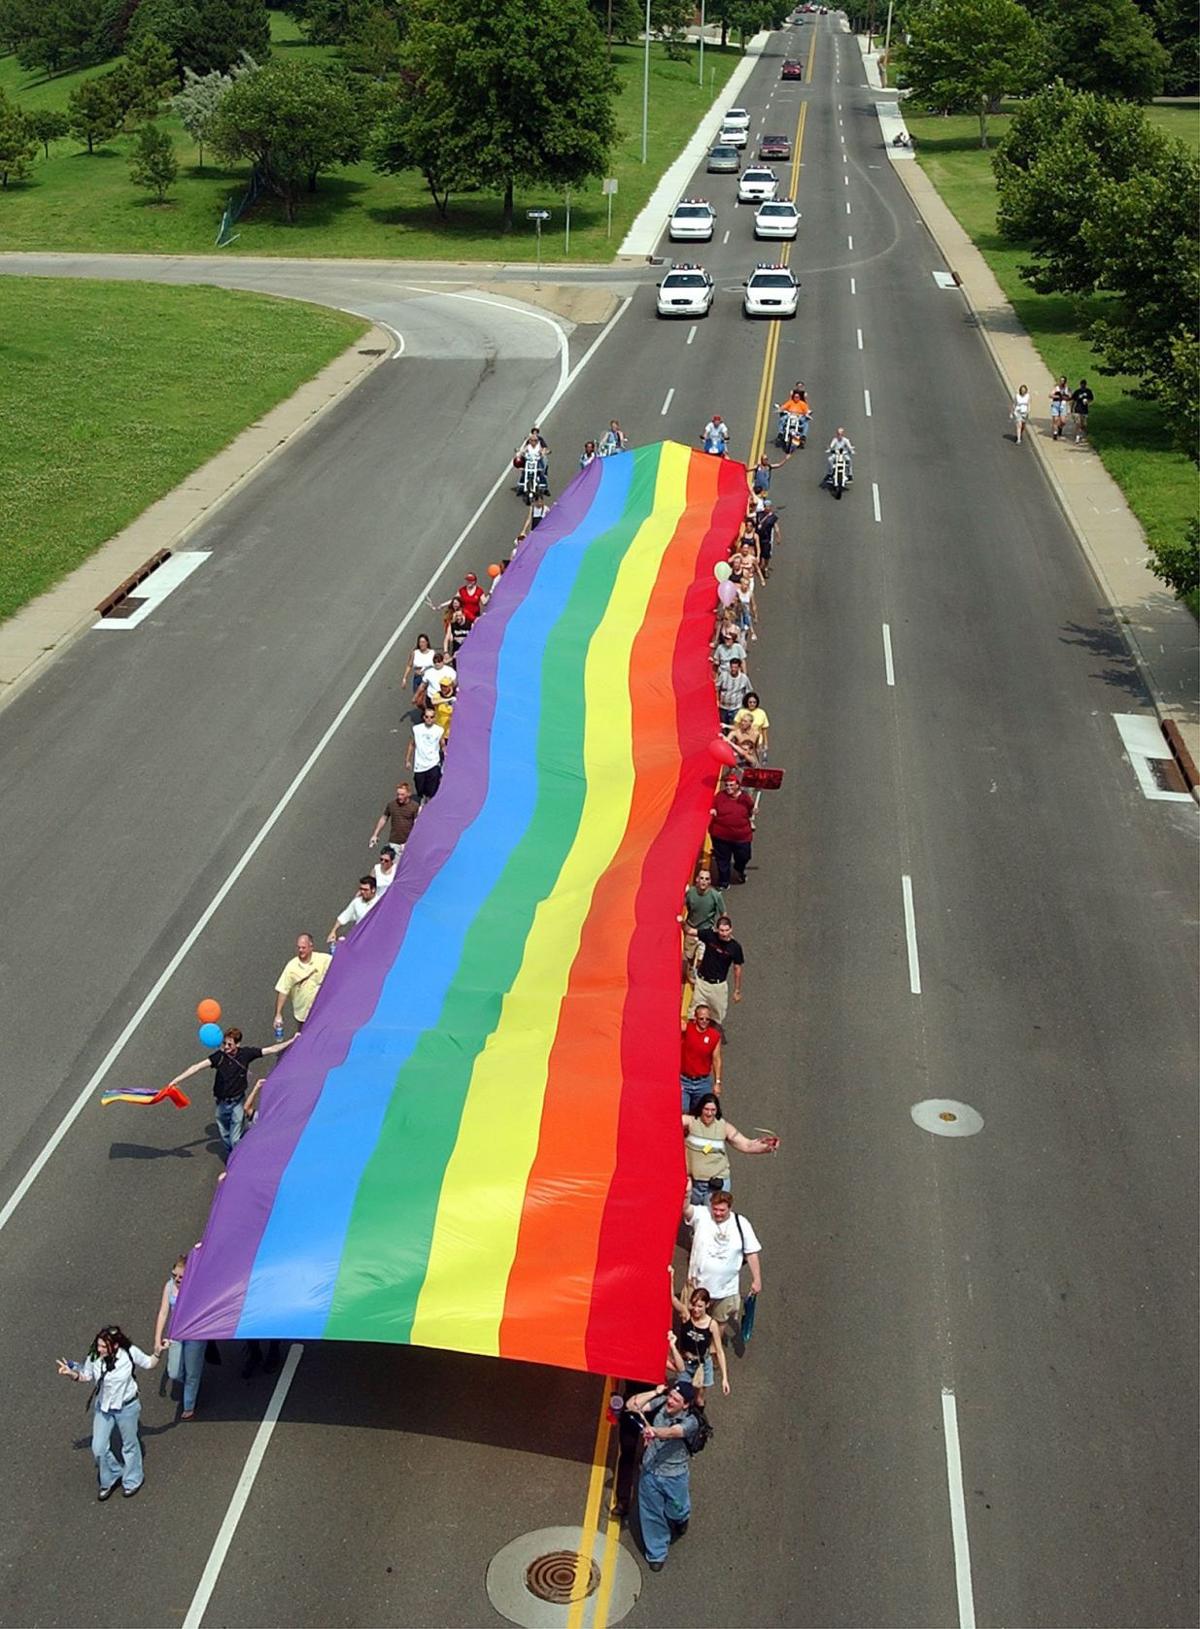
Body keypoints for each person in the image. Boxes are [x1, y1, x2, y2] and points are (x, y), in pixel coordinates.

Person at [57, 1326, 160, 1499]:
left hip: (127, 1407)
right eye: (99, 1346)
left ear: (116, 1345)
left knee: (130, 1445)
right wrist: (72, 1374)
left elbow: (149, 1363)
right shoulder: (95, 1357)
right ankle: (112, 1475)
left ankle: (133, 1479)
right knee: (98, 1448)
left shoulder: (129, 1352)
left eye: (104, 1347)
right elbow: (86, 1376)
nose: (100, 1350)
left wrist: (157, 1353)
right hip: (104, 1408)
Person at [170, 1026, 294, 1151]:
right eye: (224, 1043)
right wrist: (177, 1079)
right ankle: (233, 1157)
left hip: (237, 1102)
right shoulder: (219, 1057)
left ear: (238, 1044)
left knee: (235, 1139)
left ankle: (239, 1159)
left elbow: (271, 1049)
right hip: (221, 1103)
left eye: (230, 1044)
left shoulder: (246, 1054)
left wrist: (291, 1041)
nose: (226, 1047)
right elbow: (196, 1067)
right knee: (225, 1135)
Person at [627, 1380, 700, 1570]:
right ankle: (657, 1552)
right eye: (670, 1396)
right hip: (650, 1470)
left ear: (685, 1405)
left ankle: (681, 1517)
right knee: (650, 1512)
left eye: (676, 1399)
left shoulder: (691, 1422)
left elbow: (672, 1432)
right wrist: (655, 1392)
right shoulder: (661, 1402)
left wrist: (654, 1431)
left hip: (674, 1475)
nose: (670, 1401)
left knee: (677, 1506)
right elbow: (631, 1405)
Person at [683, 1188, 763, 1347]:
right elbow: (685, 1209)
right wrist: (687, 1192)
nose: (718, 1213)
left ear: (730, 1208)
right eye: (715, 1209)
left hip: (726, 1289)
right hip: (697, 1285)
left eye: (722, 1210)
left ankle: (711, 1351)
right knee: (692, 1318)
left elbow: (751, 1252)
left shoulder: (741, 1223)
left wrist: (757, 1279)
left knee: (720, 1321)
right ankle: (691, 1348)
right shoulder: (702, 1215)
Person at [682, 1093, 778, 1204]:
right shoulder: (690, 1122)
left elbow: (746, 1145)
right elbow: (669, 1122)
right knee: (692, 1219)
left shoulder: (724, 1127)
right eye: (706, 1109)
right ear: (700, 1109)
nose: (709, 1113)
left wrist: (767, 1146)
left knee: (713, 1218)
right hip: (694, 1185)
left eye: (713, 1110)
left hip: (715, 1185)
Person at [154, 1255, 204, 1420]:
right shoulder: (169, 1287)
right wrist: (157, 1339)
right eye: (174, 1275)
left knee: (192, 1372)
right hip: (176, 1333)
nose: (176, 1279)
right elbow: (163, 1312)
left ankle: (189, 1404)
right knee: (174, 1372)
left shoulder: (197, 1287)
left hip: (195, 1334)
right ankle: (192, 1386)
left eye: (181, 1276)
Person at [668, 1272, 729, 1403]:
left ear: (707, 1305)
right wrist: (671, 1278)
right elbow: (672, 1299)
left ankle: (697, 1419)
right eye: (694, 1305)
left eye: (700, 1306)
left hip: (702, 1365)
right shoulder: (686, 1315)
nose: (696, 1309)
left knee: (699, 1399)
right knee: (679, 1395)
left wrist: (724, 1378)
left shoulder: (712, 1324)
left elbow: (719, 1351)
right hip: (685, 1363)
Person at [272, 932, 332, 1034]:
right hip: (303, 1015)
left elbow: (340, 962)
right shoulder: (291, 966)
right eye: (298, 948)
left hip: (322, 1010)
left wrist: (341, 944)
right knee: (305, 1037)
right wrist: (278, 1014)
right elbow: (283, 990)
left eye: (303, 948)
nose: (300, 950)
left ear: (311, 947)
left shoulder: (323, 959)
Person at [691, 915, 744, 1022]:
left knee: (716, 1018)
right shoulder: (710, 936)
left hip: (718, 988)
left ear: (731, 929)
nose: (724, 933)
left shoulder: (735, 948)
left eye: (726, 930)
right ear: (716, 929)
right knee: (693, 1014)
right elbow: (691, 931)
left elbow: (737, 968)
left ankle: (714, 1038)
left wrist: (737, 990)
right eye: (721, 930)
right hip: (702, 983)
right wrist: (680, 922)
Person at [709, 774, 755, 888]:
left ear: (738, 786)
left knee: (744, 856)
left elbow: (750, 811)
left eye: (731, 785)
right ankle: (724, 882)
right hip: (721, 836)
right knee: (722, 860)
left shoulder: (745, 799)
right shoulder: (720, 797)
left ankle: (739, 868)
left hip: (741, 837)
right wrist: (713, 810)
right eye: (727, 785)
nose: (728, 787)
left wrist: (754, 811)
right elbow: (712, 806)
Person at [680, 1005, 723, 1111]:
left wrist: (717, 1082)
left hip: (702, 1083)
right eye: (701, 1018)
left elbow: (716, 1059)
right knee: (682, 1111)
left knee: (699, 1113)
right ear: (695, 1018)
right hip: (684, 1080)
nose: (704, 1021)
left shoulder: (714, 1036)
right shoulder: (687, 1029)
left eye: (707, 1019)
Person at [407, 706, 445, 803]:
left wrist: (445, 753)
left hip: (433, 762)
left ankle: (430, 804)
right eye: (427, 717)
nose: (429, 719)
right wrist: (407, 760)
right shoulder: (417, 729)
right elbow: (411, 744)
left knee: (432, 788)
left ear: (435, 718)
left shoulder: (439, 730)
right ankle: (422, 797)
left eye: (431, 717)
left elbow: (442, 745)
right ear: (423, 717)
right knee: (419, 786)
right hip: (420, 764)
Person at [327, 876, 379, 947]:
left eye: (365, 890)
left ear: (373, 890)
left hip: (376, 937)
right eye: (361, 889)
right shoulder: (356, 902)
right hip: (360, 937)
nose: (362, 892)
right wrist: (333, 931)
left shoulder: (380, 902)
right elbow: (344, 916)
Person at [369, 780, 419, 854]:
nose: (399, 797)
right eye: (398, 794)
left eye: (402, 794)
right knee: (394, 864)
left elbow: (417, 824)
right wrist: (375, 835)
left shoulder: (415, 806)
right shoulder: (392, 805)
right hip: (394, 841)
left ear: (408, 794)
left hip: (409, 843)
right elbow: (384, 818)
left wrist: (413, 840)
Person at [681, 867, 725, 933]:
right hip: (690, 928)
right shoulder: (690, 892)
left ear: (710, 881)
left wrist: (721, 930)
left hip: (706, 931)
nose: (704, 880)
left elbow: (723, 914)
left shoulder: (716, 895)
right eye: (701, 878)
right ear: (697, 879)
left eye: (707, 879)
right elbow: (682, 906)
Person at [716, 656, 752, 727]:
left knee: (734, 727)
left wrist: (746, 706)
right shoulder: (723, 675)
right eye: (732, 667)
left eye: (735, 667)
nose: (733, 669)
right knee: (722, 727)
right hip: (723, 707)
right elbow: (717, 688)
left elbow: (748, 692)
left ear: (739, 668)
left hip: (736, 708)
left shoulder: (744, 678)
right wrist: (717, 700)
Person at [755, 498, 781, 578]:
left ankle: (765, 568)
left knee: (766, 555)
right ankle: (759, 566)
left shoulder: (773, 517)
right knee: (759, 552)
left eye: (769, 506)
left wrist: (778, 537)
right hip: (758, 537)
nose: (768, 508)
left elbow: (776, 527)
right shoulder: (759, 514)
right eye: (766, 506)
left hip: (767, 539)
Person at [741, 692, 770, 759]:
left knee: (754, 762)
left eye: (754, 702)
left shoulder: (762, 713)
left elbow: (764, 730)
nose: (752, 704)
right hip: (743, 742)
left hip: (757, 743)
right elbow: (736, 727)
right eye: (750, 702)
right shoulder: (741, 712)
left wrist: (765, 744)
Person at [1071, 378, 1094, 443]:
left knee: (1084, 424)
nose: (1083, 386)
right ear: (1080, 385)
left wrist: (1087, 401)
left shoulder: (1088, 391)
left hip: (1085, 410)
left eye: (1084, 385)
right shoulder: (1077, 392)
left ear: (1085, 385)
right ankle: (1077, 437)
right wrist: (1071, 409)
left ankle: (1083, 435)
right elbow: (1073, 400)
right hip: (1077, 409)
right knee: (1078, 423)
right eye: (1082, 384)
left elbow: (1091, 399)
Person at [1049, 376, 1070, 441]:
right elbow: (1050, 395)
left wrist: (1066, 397)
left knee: (1063, 421)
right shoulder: (1056, 388)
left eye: (1063, 381)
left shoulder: (1067, 389)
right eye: (1060, 381)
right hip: (1056, 404)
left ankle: (1060, 427)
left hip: (1063, 405)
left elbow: (1070, 396)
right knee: (1055, 419)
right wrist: (1057, 396)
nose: (1061, 382)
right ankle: (1055, 433)